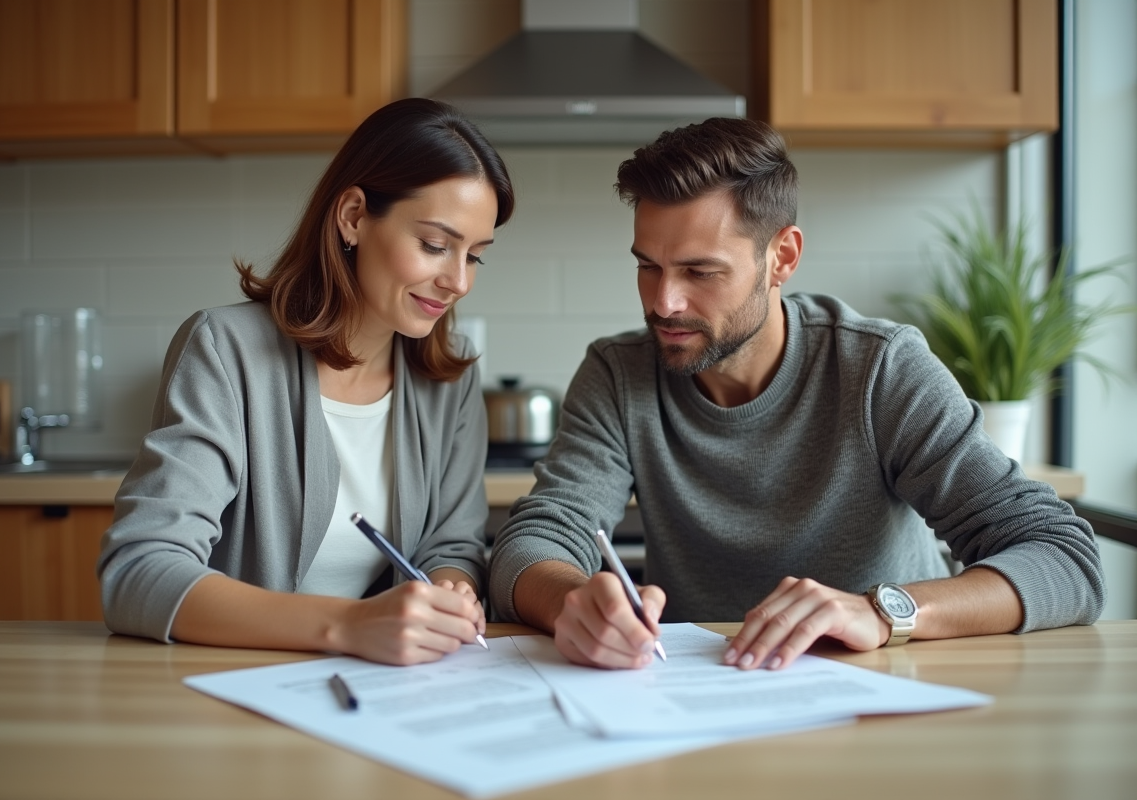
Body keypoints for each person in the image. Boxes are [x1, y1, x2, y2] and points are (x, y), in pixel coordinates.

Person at [488, 118, 1105, 671]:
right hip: (705, 687)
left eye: (700, 272)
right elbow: (535, 541)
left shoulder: (878, 368)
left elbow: (1063, 556)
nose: (663, 302)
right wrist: (575, 601)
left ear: (781, 257)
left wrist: (884, 612)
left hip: (889, 684)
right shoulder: (619, 373)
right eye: (648, 265)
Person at [99, 98, 514, 665]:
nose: (458, 281)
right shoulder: (225, 349)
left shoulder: (449, 376)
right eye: (436, 246)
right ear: (352, 217)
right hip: (226, 686)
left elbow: (451, 543)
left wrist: (449, 589)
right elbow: (138, 573)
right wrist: (350, 625)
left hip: (378, 690)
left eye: (476, 257)